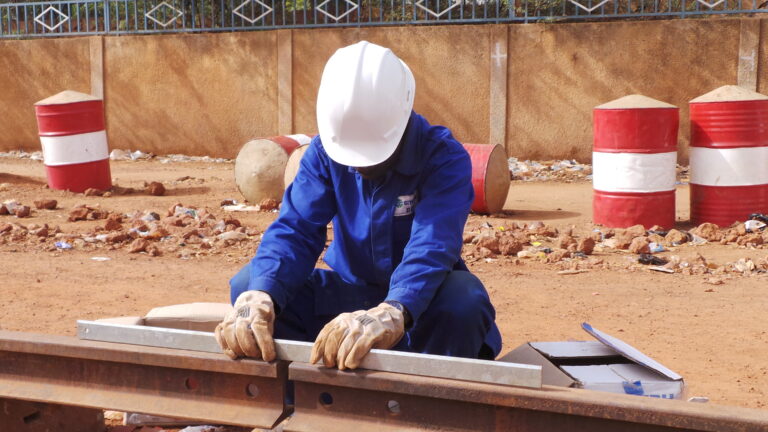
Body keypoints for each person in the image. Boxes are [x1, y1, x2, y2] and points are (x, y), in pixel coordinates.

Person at [215, 41, 501, 370]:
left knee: (463, 299)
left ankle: (426, 403)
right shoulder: (325, 152)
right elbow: (296, 230)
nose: (360, 167)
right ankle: (305, 395)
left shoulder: (442, 157)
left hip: (418, 301)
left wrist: (396, 308)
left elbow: (433, 243)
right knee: (250, 284)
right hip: (347, 296)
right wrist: (261, 293)